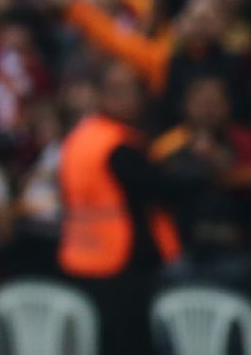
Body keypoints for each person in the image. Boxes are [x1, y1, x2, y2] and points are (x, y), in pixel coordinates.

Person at [58, 61, 209, 355]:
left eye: (132, 90)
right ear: (100, 95)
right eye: (118, 90)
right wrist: (203, 171)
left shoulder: (82, 136)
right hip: (120, 262)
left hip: (85, 258)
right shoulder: (114, 144)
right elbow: (160, 187)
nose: (128, 99)